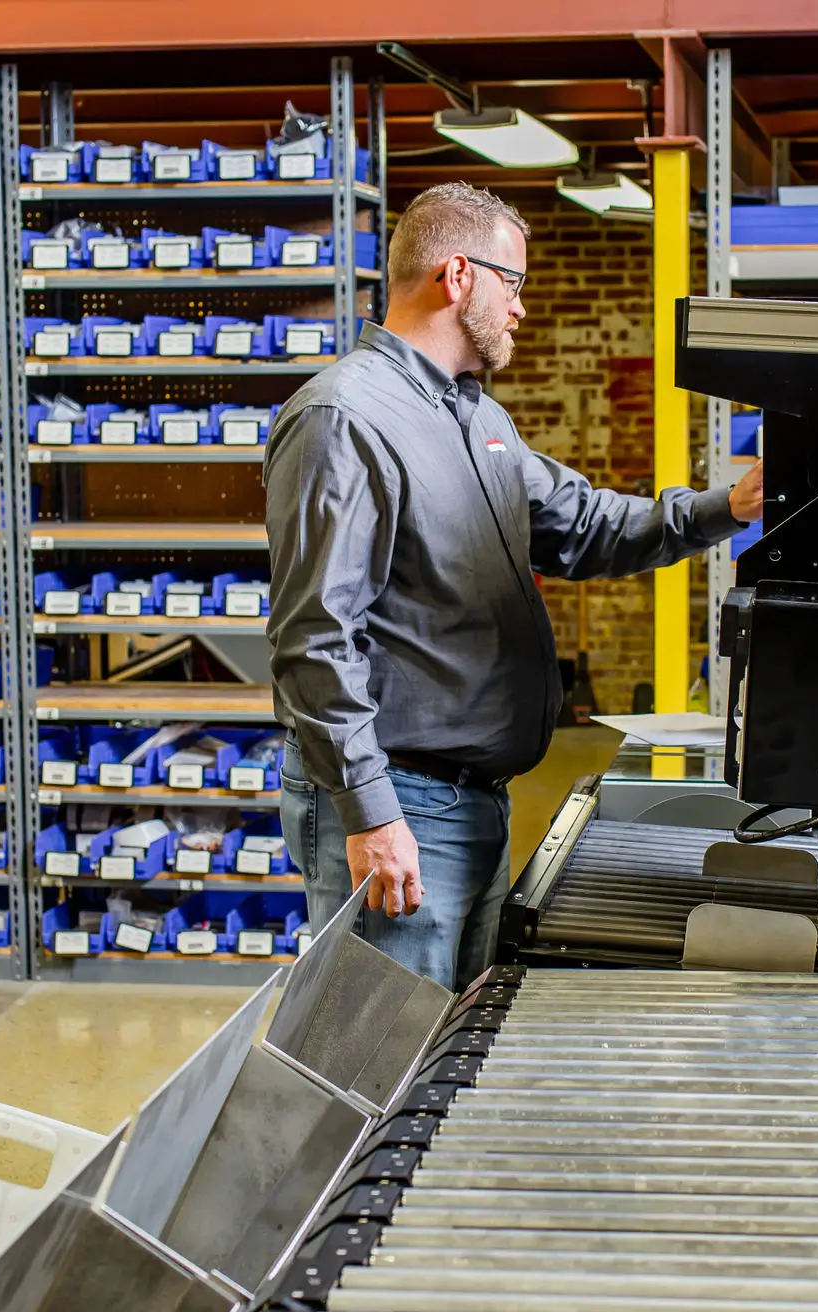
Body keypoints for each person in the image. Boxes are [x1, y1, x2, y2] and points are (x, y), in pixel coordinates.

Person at [263, 182, 765, 990]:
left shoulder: (477, 420)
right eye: (515, 284)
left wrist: (727, 508)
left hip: (474, 803)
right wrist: (371, 810)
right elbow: (315, 637)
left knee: (451, 1051)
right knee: (384, 1066)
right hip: (404, 800)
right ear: (458, 275)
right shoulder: (344, 417)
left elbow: (584, 524)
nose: (521, 309)